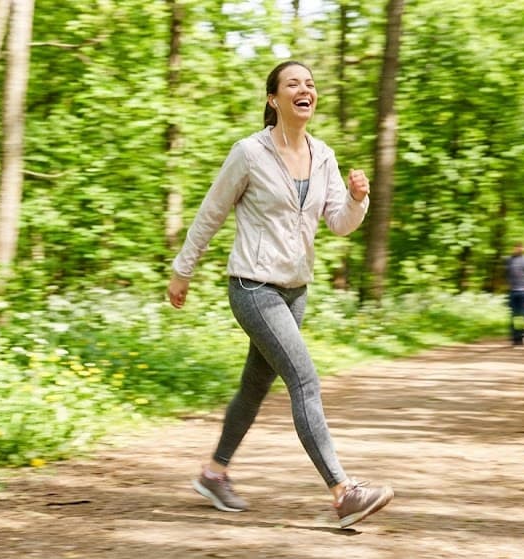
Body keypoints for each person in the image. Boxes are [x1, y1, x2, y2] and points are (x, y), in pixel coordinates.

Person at [166, 60, 393, 529]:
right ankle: (343, 491)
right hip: (252, 285)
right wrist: (182, 270)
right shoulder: (249, 152)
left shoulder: (324, 155)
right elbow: (211, 212)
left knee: (253, 387)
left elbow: (340, 224)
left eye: (309, 83)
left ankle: (214, 472)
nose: (304, 88)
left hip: (294, 292)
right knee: (305, 381)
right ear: (274, 99)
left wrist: (357, 199)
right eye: (293, 83)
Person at [504, 242, 524, 346]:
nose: (518, 249)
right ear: (513, 248)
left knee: (522, 315)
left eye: (521, 247)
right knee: (514, 315)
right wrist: (508, 285)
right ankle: (515, 338)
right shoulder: (509, 260)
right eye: (516, 247)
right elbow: (506, 274)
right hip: (513, 291)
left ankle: (520, 335)